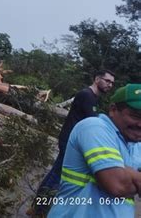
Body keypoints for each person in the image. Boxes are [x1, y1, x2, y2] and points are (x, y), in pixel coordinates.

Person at [29, 70, 115, 216]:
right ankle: (40, 210)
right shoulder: (87, 95)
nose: (110, 85)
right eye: (107, 81)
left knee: (55, 173)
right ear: (97, 79)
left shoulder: (91, 97)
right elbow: (92, 120)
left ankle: (36, 207)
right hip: (70, 141)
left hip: (70, 140)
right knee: (57, 176)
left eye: (112, 83)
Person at [47, 83, 141, 217]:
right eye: (136, 116)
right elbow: (117, 184)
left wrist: (130, 175)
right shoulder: (94, 127)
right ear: (113, 110)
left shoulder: (136, 145)